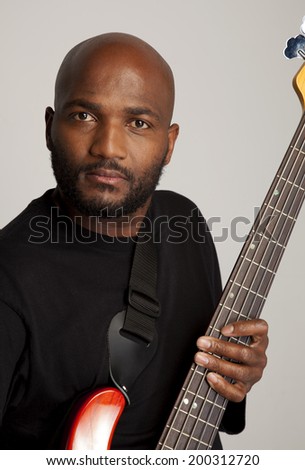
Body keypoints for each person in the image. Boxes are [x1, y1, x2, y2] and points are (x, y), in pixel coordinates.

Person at [0, 33, 268, 450]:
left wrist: (236, 372)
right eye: (85, 116)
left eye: (138, 123)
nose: (108, 147)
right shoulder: (10, 281)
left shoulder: (185, 223)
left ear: (169, 143)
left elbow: (207, 410)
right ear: (51, 127)